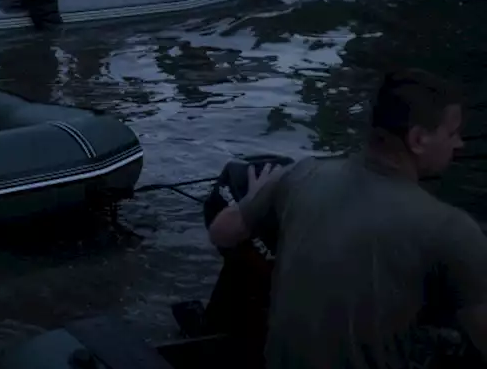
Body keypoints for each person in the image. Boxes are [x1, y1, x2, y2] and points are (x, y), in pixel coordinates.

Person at [208, 69, 487, 369]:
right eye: (452, 133)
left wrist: (258, 195)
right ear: (418, 139)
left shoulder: (300, 174)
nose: (460, 144)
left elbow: (221, 232)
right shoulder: (452, 228)